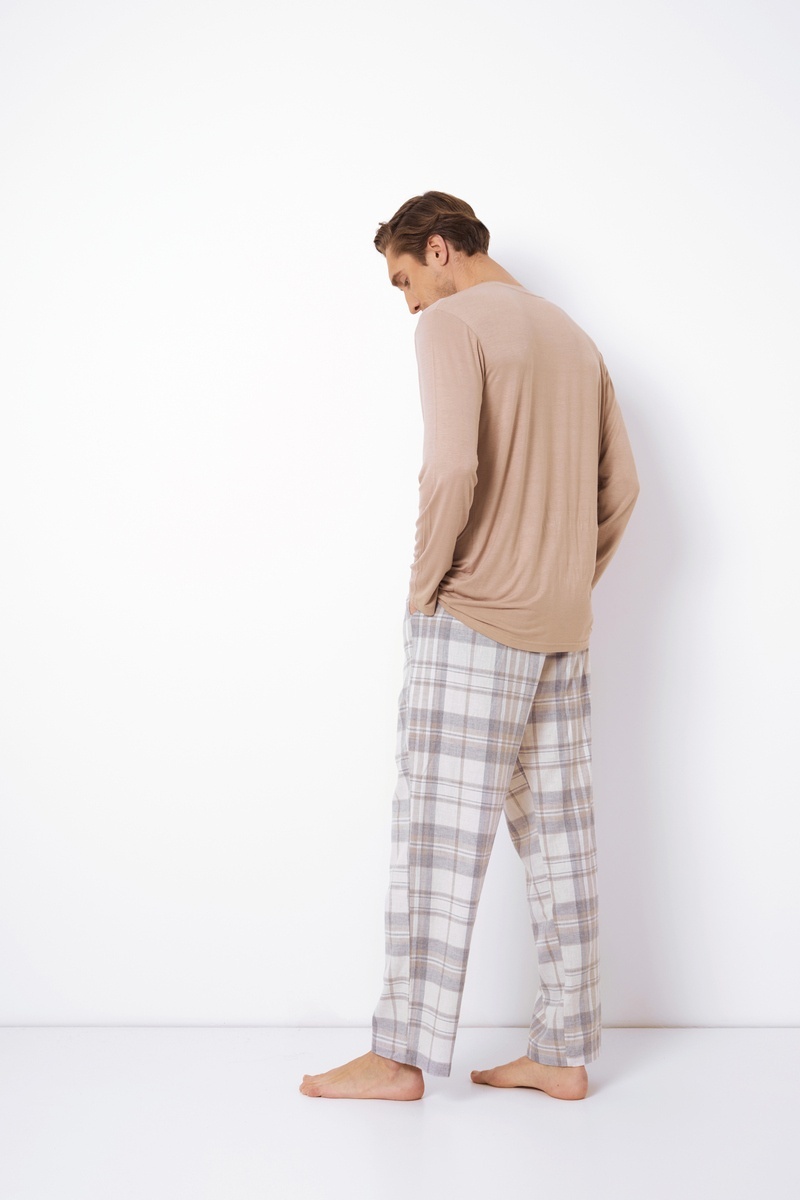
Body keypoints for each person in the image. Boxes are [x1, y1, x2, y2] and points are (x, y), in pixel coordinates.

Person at [299, 191, 640, 1102]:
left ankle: (398, 1059)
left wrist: (424, 594)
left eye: (404, 279)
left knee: (434, 844)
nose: (407, 301)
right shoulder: (576, 339)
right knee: (563, 846)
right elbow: (623, 490)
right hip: (561, 630)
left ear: (441, 250)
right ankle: (563, 1053)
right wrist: (564, 578)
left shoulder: (451, 324)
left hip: (476, 620)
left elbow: (452, 467)